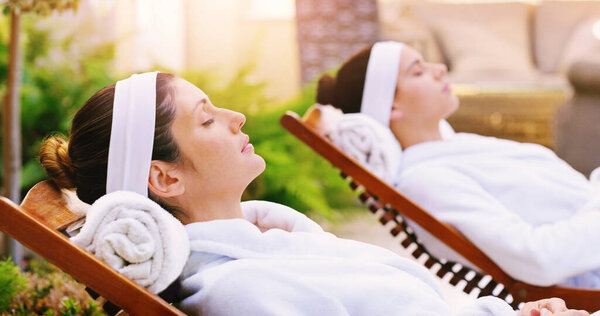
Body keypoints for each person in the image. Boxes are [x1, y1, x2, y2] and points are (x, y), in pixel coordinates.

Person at [39, 72, 591, 315]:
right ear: (165, 179)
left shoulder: (277, 246)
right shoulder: (242, 289)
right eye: (206, 119)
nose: (236, 117)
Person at [316, 41, 600, 289]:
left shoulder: (453, 150)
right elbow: (537, 259)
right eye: (418, 71)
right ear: (391, 107)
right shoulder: (427, 181)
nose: (439, 68)